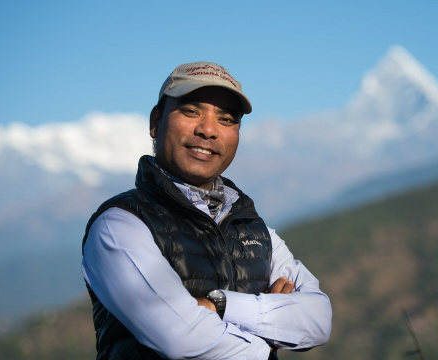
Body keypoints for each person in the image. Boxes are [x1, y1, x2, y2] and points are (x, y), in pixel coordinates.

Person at [81, 61, 332, 360]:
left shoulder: (251, 228)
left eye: (226, 119)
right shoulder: (120, 224)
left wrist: (219, 305)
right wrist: (274, 331)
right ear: (155, 121)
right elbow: (180, 339)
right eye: (191, 111)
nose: (208, 130)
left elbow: (318, 320)